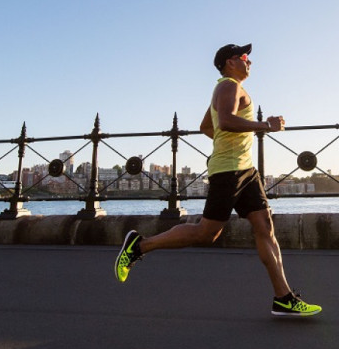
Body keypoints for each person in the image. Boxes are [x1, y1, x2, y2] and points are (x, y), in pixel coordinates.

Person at [114, 43, 321, 317]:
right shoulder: (228, 86)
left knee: (265, 226)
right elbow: (224, 121)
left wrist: (232, 144)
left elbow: (206, 127)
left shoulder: (232, 88)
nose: (250, 62)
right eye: (244, 57)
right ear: (229, 62)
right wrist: (264, 126)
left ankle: (284, 297)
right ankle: (138, 246)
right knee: (206, 233)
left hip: (246, 170)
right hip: (229, 171)